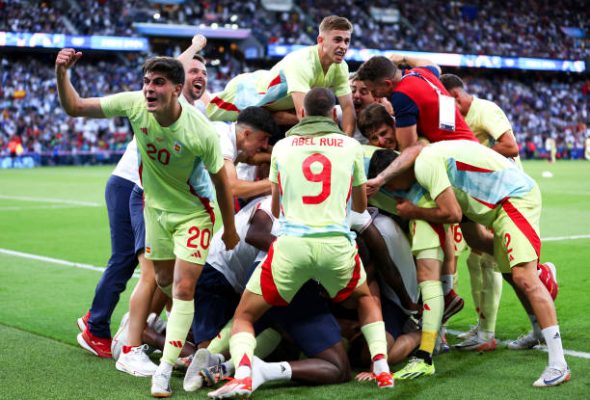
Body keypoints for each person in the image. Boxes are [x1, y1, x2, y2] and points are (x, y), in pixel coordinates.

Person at [55, 49, 239, 398]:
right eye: (146, 82)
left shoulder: (201, 131)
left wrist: (229, 230)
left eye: (159, 82)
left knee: (183, 288)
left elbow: (221, 184)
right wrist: (62, 73)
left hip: (194, 213)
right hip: (153, 210)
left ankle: (163, 371)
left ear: (176, 89)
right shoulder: (135, 104)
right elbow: (75, 107)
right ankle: (165, 332)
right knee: (163, 281)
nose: (149, 89)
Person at [207, 88, 393, 399]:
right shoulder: (350, 147)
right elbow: (360, 206)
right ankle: (381, 366)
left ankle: (243, 374)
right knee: (365, 298)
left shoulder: (282, 147)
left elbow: (276, 208)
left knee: (245, 316)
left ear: (302, 113)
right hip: (335, 245)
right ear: (333, 114)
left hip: (292, 247)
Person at [370, 139, 570, 387]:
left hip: (513, 198)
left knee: (523, 276)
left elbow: (452, 214)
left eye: (391, 186)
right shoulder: (422, 156)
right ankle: (538, 328)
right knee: (493, 257)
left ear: (398, 171)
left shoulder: (424, 165)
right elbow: (418, 147)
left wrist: (414, 211)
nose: (395, 192)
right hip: (494, 205)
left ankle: (559, 364)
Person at [440, 73, 520, 351]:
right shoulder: (455, 117)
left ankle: (487, 333)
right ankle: (483, 326)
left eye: (445, 101)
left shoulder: (484, 109)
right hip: (477, 194)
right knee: (476, 260)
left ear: (455, 96)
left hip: (502, 193)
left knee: (489, 260)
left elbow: (511, 146)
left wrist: (472, 159)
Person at [207, 15, 357, 136]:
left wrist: (347, 141)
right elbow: (304, 117)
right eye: (337, 40)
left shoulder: (341, 67)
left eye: (347, 41)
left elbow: (348, 108)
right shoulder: (302, 62)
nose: (343, 46)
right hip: (248, 93)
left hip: (274, 103)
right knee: (203, 112)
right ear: (320, 40)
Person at [213, 107, 279, 201]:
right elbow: (231, 188)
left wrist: (274, 157)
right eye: (263, 139)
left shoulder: (232, 133)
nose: (265, 146)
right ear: (247, 134)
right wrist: (275, 181)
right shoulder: (224, 141)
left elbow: (248, 158)